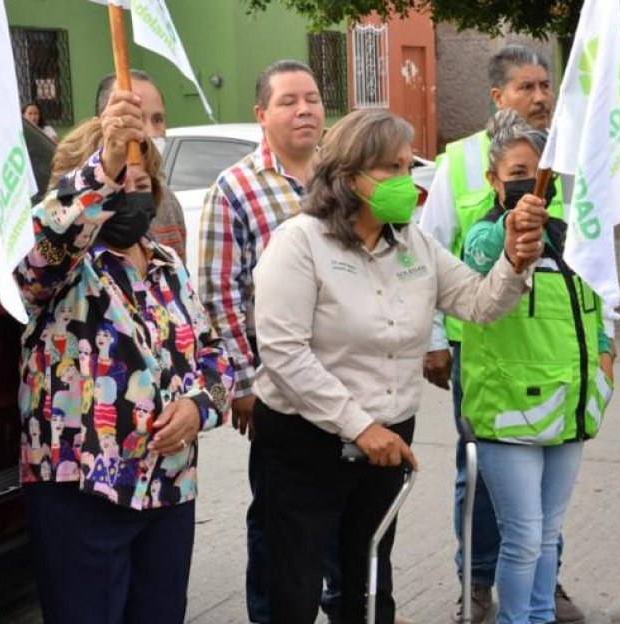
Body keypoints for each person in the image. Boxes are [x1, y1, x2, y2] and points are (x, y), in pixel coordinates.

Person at [250, 108, 545, 624]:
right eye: (391, 168)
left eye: (410, 167)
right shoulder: (300, 242)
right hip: (304, 440)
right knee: (293, 588)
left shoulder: (414, 244)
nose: (407, 182)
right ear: (347, 176)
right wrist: (359, 427)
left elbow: (479, 303)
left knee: (368, 584)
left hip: (386, 442)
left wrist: (515, 262)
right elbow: (283, 354)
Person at [14, 88, 234, 624]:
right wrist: (108, 160)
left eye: (140, 184)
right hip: (83, 491)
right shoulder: (60, 264)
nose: (130, 196)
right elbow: (48, 245)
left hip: (169, 487)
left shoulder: (166, 263)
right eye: (117, 185)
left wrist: (199, 407)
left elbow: (213, 356)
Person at [417, 43, 585, 623]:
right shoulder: (459, 161)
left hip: (558, 360)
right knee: (479, 478)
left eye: (546, 86)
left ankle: (546, 586)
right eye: (526, 87)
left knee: (540, 515)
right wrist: (436, 339)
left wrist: (605, 354)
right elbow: (437, 248)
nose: (540, 97)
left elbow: (589, 267)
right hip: (481, 349)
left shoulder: (564, 154)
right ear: (497, 96)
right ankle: (480, 580)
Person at [456, 109, 615, 623]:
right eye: (517, 172)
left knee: (547, 536)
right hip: (508, 416)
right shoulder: (485, 236)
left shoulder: (571, 237)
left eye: (538, 170)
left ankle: (540, 617)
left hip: (568, 412)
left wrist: (606, 360)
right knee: (523, 539)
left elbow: (595, 306)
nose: (529, 182)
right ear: (492, 180)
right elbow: (485, 261)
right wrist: (513, 231)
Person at [197, 60, 330, 623]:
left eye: (313, 98)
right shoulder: (236, 188)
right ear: (261, 115)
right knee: (280, 519)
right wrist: (242, 385)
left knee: (345, 516)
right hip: (278, 389)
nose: (304, 110)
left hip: (350, 379)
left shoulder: (343, 177)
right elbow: (218, 292)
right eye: (288, 101)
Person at [94, 70, 187, 260]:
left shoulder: (168, 202)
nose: (150, 132)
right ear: (101, 125)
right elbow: (47, 258)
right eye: (135, 118)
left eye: (158, 119)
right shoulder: (75, 205)